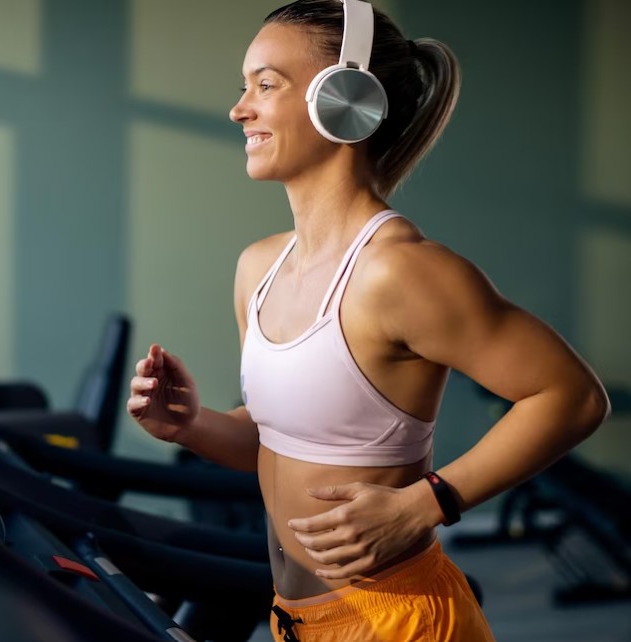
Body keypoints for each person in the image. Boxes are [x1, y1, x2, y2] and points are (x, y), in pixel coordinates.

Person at [126, 1, 611, 640]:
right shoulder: (258, 268)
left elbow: (572, 396)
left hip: (399, 621)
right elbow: (284, 443)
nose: (239, 109)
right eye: (243, 88)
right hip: (296, 620)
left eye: (266, 85)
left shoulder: (401, 272)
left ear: (343, 97)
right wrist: (189, 426)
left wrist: (429, 502)